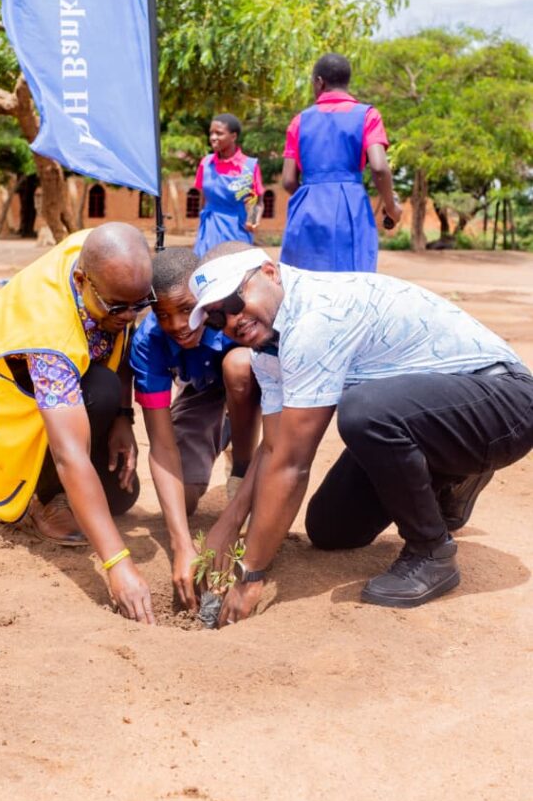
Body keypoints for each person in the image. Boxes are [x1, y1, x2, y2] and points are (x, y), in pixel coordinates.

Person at [186, 242, 533, 625]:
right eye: (218, 319)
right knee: (331, 528)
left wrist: (250, 574)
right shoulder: (268, 344)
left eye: (235, 302)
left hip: (504, 404)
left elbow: (293, 465)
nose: (232, 321)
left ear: (269, 273)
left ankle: (431, 553)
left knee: (364, 412)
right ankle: (447, 474)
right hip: (434, 413)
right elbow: (273, 447)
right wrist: (227, 525)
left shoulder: (318, 318)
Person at [0, 223, 157, 624]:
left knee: (121, 497)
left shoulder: (111, 264)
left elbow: (118, 338)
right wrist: (117, 563)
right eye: (118, 306)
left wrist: (124, 419)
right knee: (99, 391)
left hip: (73, 373)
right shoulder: (49, 331)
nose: (131, 315)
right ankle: (14, 476)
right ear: (83, 280)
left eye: (141, 303)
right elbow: (70, 455)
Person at [130, 246, 261, 609]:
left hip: (252, 386)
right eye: (162, 314)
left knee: (238, 369)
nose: (175, 325)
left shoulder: (235, 317)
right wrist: (181, 545)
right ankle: (220, 433)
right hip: (200, 391)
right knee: (182, 502)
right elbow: (161, 443)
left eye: (187, 310)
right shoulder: (149, 342)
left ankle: (242, 464)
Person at [280, 53, 403, 272]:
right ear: (347, 81)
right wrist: (391, 207)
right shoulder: (367, 115)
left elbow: (288, 181)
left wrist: (313, 199)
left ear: (319, 82)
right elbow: (379, 167)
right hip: (352, 208)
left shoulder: (299, 121)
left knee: (304, 281)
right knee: (352, 282)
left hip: (307, 208)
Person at [192, 113, 264, 257]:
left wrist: (253, 220)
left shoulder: (249, 166)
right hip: (209, 229)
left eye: (219, 133)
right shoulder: (205, 163)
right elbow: (203, 199)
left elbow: (257, 201)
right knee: (205, 270)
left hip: (236, 230)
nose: (213, 137)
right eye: (211, 133)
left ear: (233, 136)